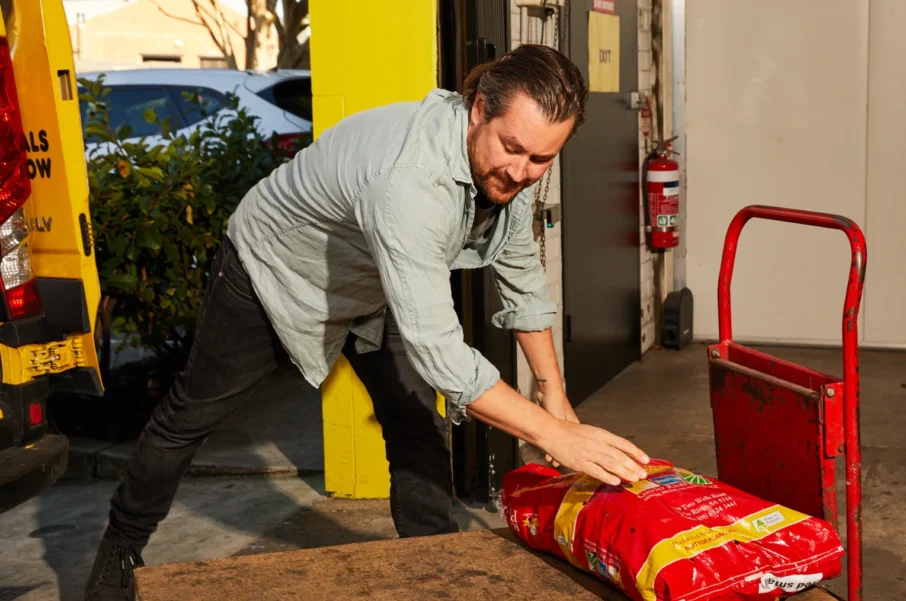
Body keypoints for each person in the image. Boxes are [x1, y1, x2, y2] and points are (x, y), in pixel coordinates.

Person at [84, 44, 650, 601]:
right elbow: (440, 352)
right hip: (275, 269)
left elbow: (521, 272)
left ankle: (435, 569)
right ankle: (120, 546)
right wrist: (554, 436)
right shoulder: (410, 181)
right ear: (478, 108)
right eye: (513, 149)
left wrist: (555, 394)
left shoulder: (512, 164)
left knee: (419, 428)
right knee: (192, 414)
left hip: (374, 282)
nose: (521, 171)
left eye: (541, 159)